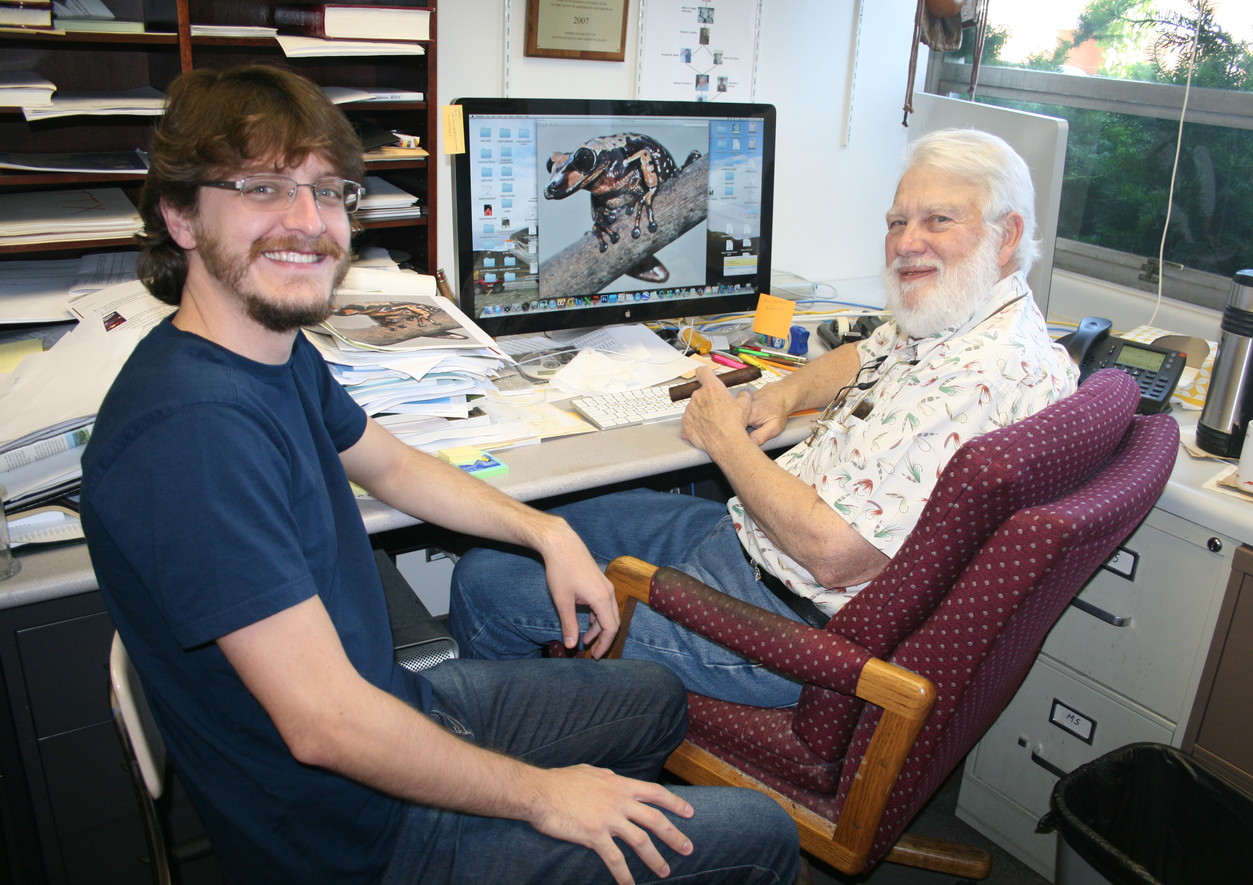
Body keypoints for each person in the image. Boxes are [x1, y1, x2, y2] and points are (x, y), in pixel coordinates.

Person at [80, 65, 801, 885]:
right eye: (262, 188)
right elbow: (325, 726)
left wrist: (546, 529)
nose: (309, 223)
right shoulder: (192, 432)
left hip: (394, 709)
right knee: (758, 833)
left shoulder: (264, 350)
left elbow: (391, 464)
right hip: (361, 839)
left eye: (329, 192)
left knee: (651, 697)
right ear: (179, 214)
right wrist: (541, 797)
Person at [451, 128, 1080, 708]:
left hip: (781, 624)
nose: (907, 242)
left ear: (1007, 234)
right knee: (530, 528)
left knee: (489, 579)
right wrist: (783, 397)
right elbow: (869, 349)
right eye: (897, 222)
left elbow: (835, 557)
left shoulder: (975, 377)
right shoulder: (980, 324)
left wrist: (727, 443)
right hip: (753, 544)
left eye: (939, 221)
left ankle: (513, 765)